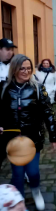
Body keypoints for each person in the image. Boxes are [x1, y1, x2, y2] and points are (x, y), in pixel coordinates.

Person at [0, 54, 56, 211]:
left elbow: (48, 113)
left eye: (28, 68)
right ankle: (17, 204)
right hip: (12, 140)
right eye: (22, 68)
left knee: (33, 172)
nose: (26, 71)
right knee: (18, 175)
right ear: (15, 69)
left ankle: (35, 190)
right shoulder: (4, 88)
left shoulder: (37, 88)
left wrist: (54, 135)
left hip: (33, 138)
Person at [0, 38, 16, 170]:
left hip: (13, 113)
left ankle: (23, 172)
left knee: (16, 147)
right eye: (7, 49)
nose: (10, 52)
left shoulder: (16, 66)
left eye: (12, 50)